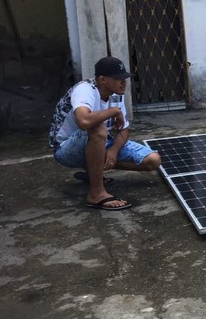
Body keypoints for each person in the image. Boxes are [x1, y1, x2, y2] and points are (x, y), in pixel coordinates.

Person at [48, 57, 161, 211]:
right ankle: (96, 194)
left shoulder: (116, 93)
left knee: (153, 160)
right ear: (102, 80)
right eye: (118, 79)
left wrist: (113, 151)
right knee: (98, 128)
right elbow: (84, 121)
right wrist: (113, 111)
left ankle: (93, 169)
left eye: (125, 78)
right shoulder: (85, 90)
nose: (124, 82)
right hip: (66, 149)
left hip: (99, 142)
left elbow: (124, 129)